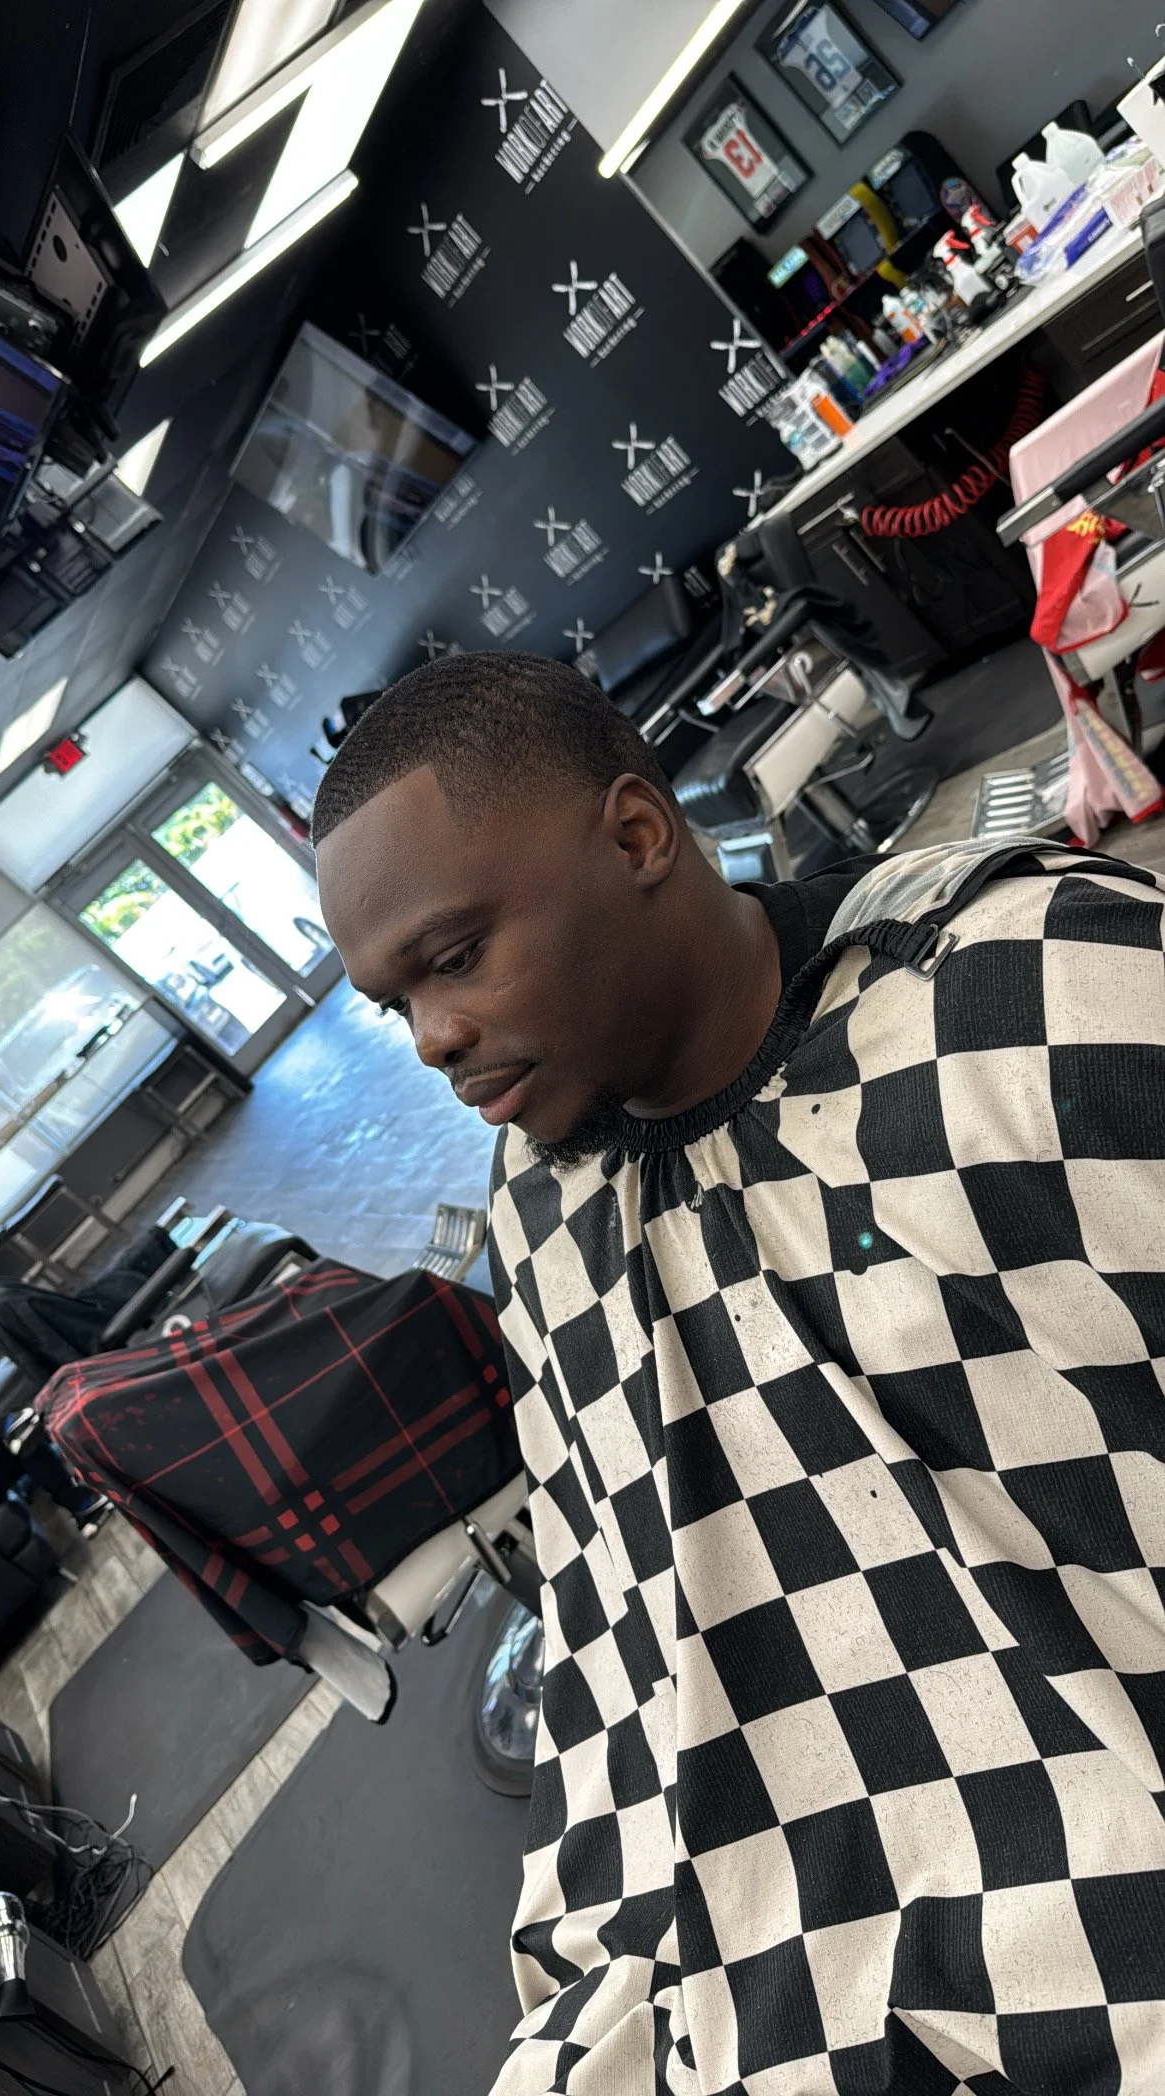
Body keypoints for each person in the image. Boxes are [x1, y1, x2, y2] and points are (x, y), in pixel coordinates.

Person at [315, 651, 1165, 2096]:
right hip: (804, 1866)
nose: (434, 1039)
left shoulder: (1021, 995)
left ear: (638, 837)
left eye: (454, 957)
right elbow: (620, 1622)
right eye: (393, 1003)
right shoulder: (544, 1217)